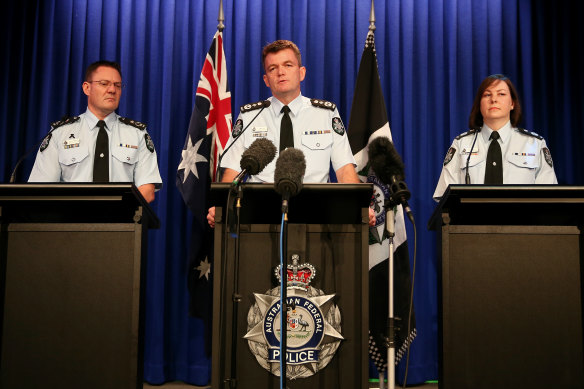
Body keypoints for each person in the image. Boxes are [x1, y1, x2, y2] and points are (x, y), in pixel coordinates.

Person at [207, 39, 373, 227]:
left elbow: (344, 170)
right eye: (272, 68)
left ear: (301, 73)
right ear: (266, 79)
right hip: (260, 217)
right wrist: (221, 207)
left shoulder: (326, 114)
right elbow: (232, 172)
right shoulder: (250, 116)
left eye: (288, 65)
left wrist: (359, 206)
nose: (280, 72)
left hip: (317, 215)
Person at [28, 60, 162, 203]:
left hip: (121, 221)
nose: (112, 90)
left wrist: (117, 216)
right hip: (71, 222)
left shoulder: (138, 134)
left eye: (117, 85)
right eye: (104, 84)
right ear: (87, 88)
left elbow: (147, 191)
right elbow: (42, 188)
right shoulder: (59, 133)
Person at [433, 74, 557, 201]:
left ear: (512, 103)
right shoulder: (461, 144)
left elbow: (548, 197)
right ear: (479, 104)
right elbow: (445, 199)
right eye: (487, 95)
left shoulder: (534, 144)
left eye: (501, 94)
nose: (494, 99)